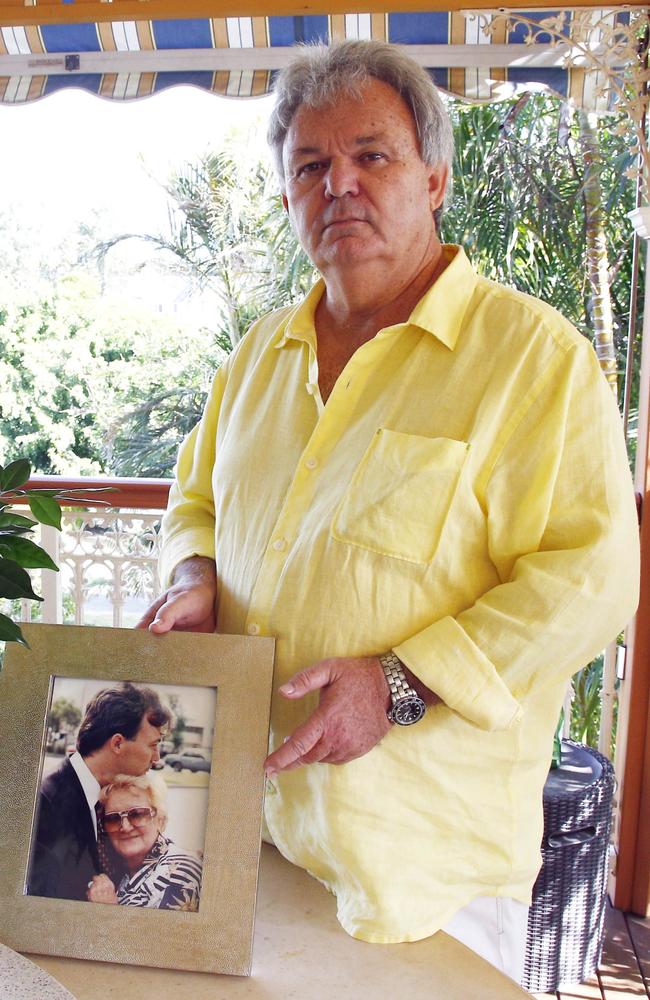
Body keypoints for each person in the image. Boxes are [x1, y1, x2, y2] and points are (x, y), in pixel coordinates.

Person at [137, 41, 640, 981]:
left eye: (372, 156)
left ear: (435, 176)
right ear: (287, 195)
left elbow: (591, 578)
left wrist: (401, 681)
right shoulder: (258, 357)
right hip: (249, 833)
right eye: (311, 166)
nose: (340, 188)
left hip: (420, 878)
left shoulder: (534, 359)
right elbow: (193, 496)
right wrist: (194, 573)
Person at [28, 682, 171, 902]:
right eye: (153, 745)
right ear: (117, 744)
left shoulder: (106, 797)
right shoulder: (46, 804)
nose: (157, 758)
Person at [87, 772, 202, 911]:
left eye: (137, 814)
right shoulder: (125, 872)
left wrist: (106, 907)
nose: (125, 827)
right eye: (113, 819)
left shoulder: (181, 872)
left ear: (160, 819)